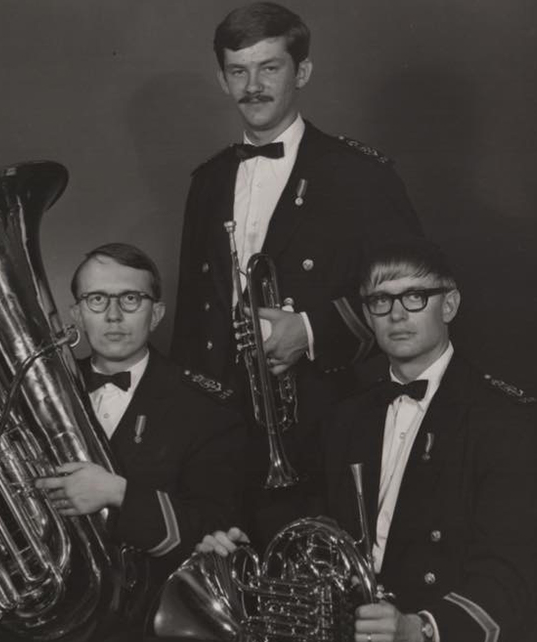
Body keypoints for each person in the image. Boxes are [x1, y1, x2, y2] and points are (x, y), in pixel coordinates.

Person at [169, 2, 423, 543]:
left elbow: (411, 295)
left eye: (270, 68)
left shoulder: (359, 175)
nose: (252, 86)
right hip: (219, 434)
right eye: (238, 71)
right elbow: (193, 318)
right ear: (222, 79)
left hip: (322, 429)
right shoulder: (208, 181)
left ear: (301, 72)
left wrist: (307, 331)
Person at [199, 239, 537, 642]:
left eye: (414, 296)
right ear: (367, 315)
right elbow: (313, 532)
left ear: (449, 305)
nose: (396, 314)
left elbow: (512, 574)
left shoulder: (505, 420)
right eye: (380, 300)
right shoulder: (347, 416)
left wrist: (422, 629)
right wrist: (241, 552)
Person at [34, 243, 247, 624]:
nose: (113, 315)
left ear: (156, 314)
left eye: (131, 299)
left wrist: (118, 493)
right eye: (97, 299)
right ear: (77, 314)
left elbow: (214, 533)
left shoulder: (206, 408)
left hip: (144, 620)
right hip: (46, 611)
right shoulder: (38, 395)